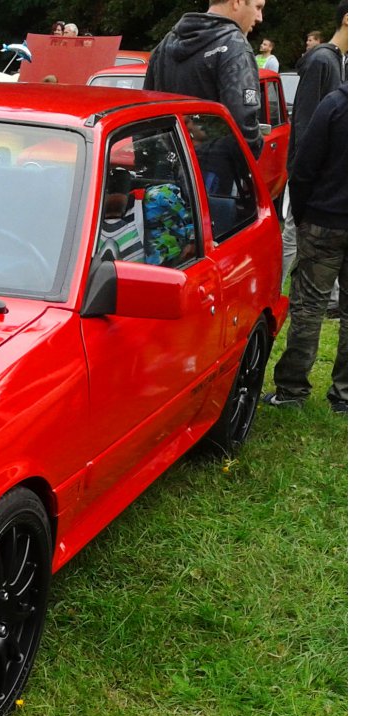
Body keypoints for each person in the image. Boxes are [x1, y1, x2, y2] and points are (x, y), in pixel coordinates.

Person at [264, 83, 347, 414]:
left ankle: (292, 389)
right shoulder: (335, 104)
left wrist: (299, 215)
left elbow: (303, 166)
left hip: (323, 222)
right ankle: (345, 395)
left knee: (309, 307)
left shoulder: (335, 105)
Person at [144, 0, 265, 159]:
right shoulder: (234, 46)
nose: (260, 17)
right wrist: (255, 149)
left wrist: (147, 161)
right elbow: (244, 121)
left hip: (166, 167)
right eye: (258, 7)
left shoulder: (165, 44)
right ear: (237, 2)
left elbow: (146, 113)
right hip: (212, 170)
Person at [281, 2, 347, 294]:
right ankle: (275, 291)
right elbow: (305, 122)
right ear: (349, 20)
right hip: (308, 173)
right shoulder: (322, 60)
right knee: (294, 233)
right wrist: (303, 174)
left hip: (325, 174)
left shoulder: (338, 60)